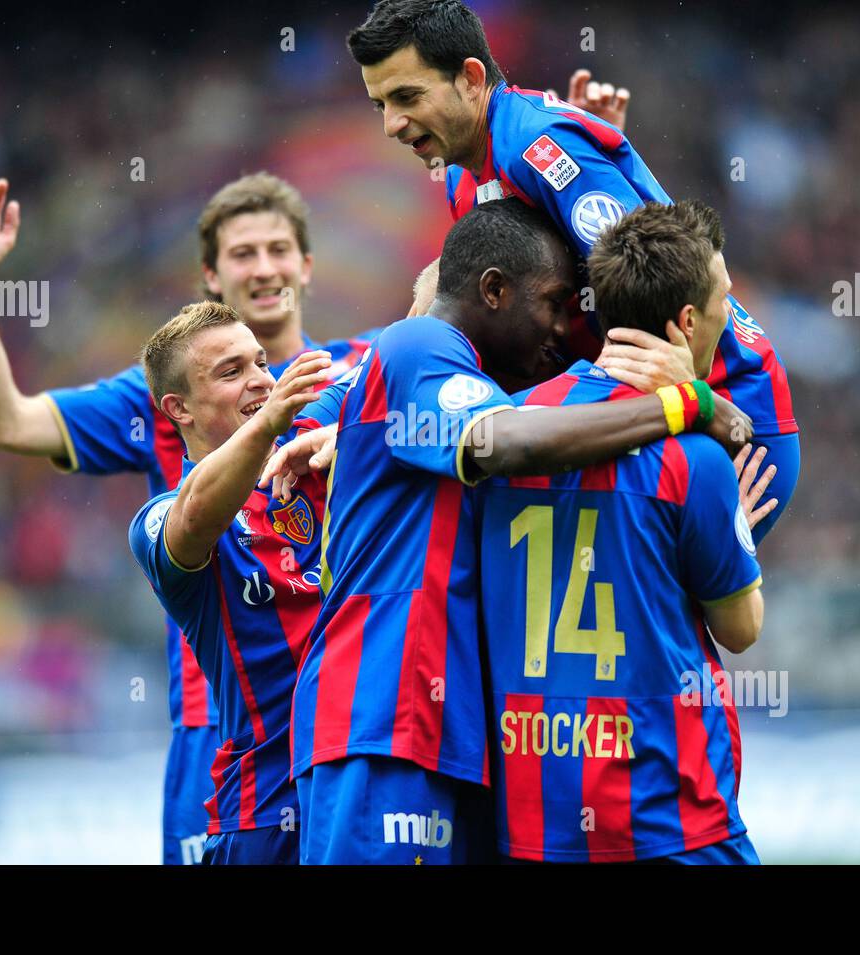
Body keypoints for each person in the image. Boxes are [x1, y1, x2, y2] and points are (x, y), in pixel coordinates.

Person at [288, 198, 752, 864]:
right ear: (495, 290)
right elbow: (505, 442)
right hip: (383, 719)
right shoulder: (421, 344)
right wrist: (690, 404)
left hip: (457, 736)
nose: (564, 328)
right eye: (555, 303)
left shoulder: (471, 382)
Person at [0, 171, 370, 864]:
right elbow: (0, 422)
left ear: (307, 264)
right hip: (220, 717)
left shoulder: (360, 374)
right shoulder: (155, 397)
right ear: (210, 274)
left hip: (351, 703)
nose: (263, 267)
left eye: (277, 249)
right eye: (242, 253)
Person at [346, 0, 798, 541]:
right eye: (380, 105)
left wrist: (693, 399)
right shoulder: (459, 175)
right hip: (644, 405)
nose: (393, 124)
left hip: (729, 410)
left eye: (407, 97)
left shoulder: (540, 147)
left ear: (470, 78)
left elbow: (654, 279)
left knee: (492, 444)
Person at [482, 199, 768, 864]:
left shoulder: (512, 427)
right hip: (665, 814)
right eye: (726, 301)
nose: (731, 318)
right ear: (690, 320)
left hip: (532, 819)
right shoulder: (695, 458)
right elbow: (740, 627)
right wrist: (738, 531)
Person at [129, 302, 332, 864]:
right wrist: (269, 421)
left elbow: (428, 322)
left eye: (261, 362)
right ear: (179, 408)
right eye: (231, 371)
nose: (261, 380)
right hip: (268, 811)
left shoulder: (316, 453)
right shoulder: (161, 521)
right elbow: (193, 517)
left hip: (361, 789)